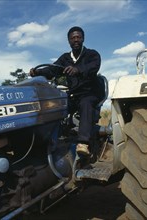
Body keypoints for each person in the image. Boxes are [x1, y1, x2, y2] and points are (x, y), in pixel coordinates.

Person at [29, 26, 101, 156]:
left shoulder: (92, 54)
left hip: (90, 93)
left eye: (78, 37)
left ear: (83, 39)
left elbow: (93, 67)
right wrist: (38, 72)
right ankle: (48, 139)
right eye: (73, 38)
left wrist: (78, 70)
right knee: (55, 105)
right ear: (69, 41)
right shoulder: (65, 58)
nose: (76, 40)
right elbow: (53, 70)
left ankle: (83, 143)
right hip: (73, 95)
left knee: (86, 103)